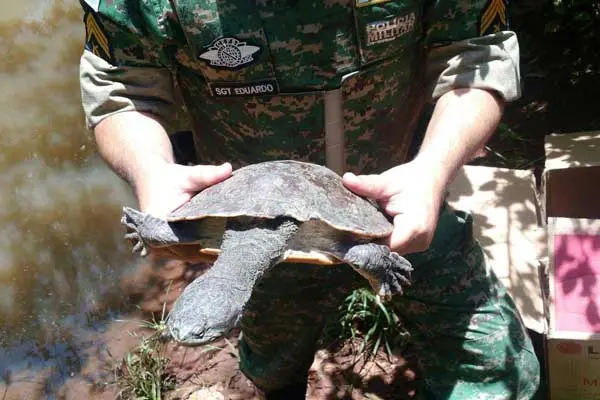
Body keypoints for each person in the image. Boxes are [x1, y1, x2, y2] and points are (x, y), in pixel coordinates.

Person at [78, 0, 541, 398]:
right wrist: (151, 173)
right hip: (247, 217)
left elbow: (477, 51)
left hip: (402, 205)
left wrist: (433, 169)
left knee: (497, 369)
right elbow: (120, 87)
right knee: (271, 367)